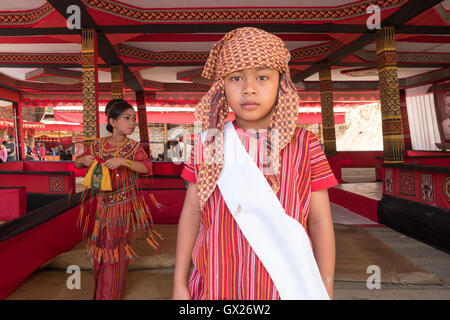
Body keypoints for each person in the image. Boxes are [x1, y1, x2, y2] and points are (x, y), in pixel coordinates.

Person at [173, 27, 338, 300]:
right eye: (236, 78)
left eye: (262, 77)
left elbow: (320, 222)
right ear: (222, 87)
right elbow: (191, 214)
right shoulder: (209, 143)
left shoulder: (304, 144)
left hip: (285, 287)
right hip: (215, 282)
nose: (248, 88)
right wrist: (179, 283)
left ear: (281, 84)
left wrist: (325, 288)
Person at [74, 99, 162, 300]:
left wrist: (125, 161)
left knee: (115, 251)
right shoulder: (97, 146)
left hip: (122, 209)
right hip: (102, 207)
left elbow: (148, 168)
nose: (132, 123)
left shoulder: (133, 147)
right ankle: (99, 293)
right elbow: (77, 163)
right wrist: (82, 160)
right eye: (126, 118)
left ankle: (110, 295)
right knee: (99, 249)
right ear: (113, 122)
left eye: (133, 119)